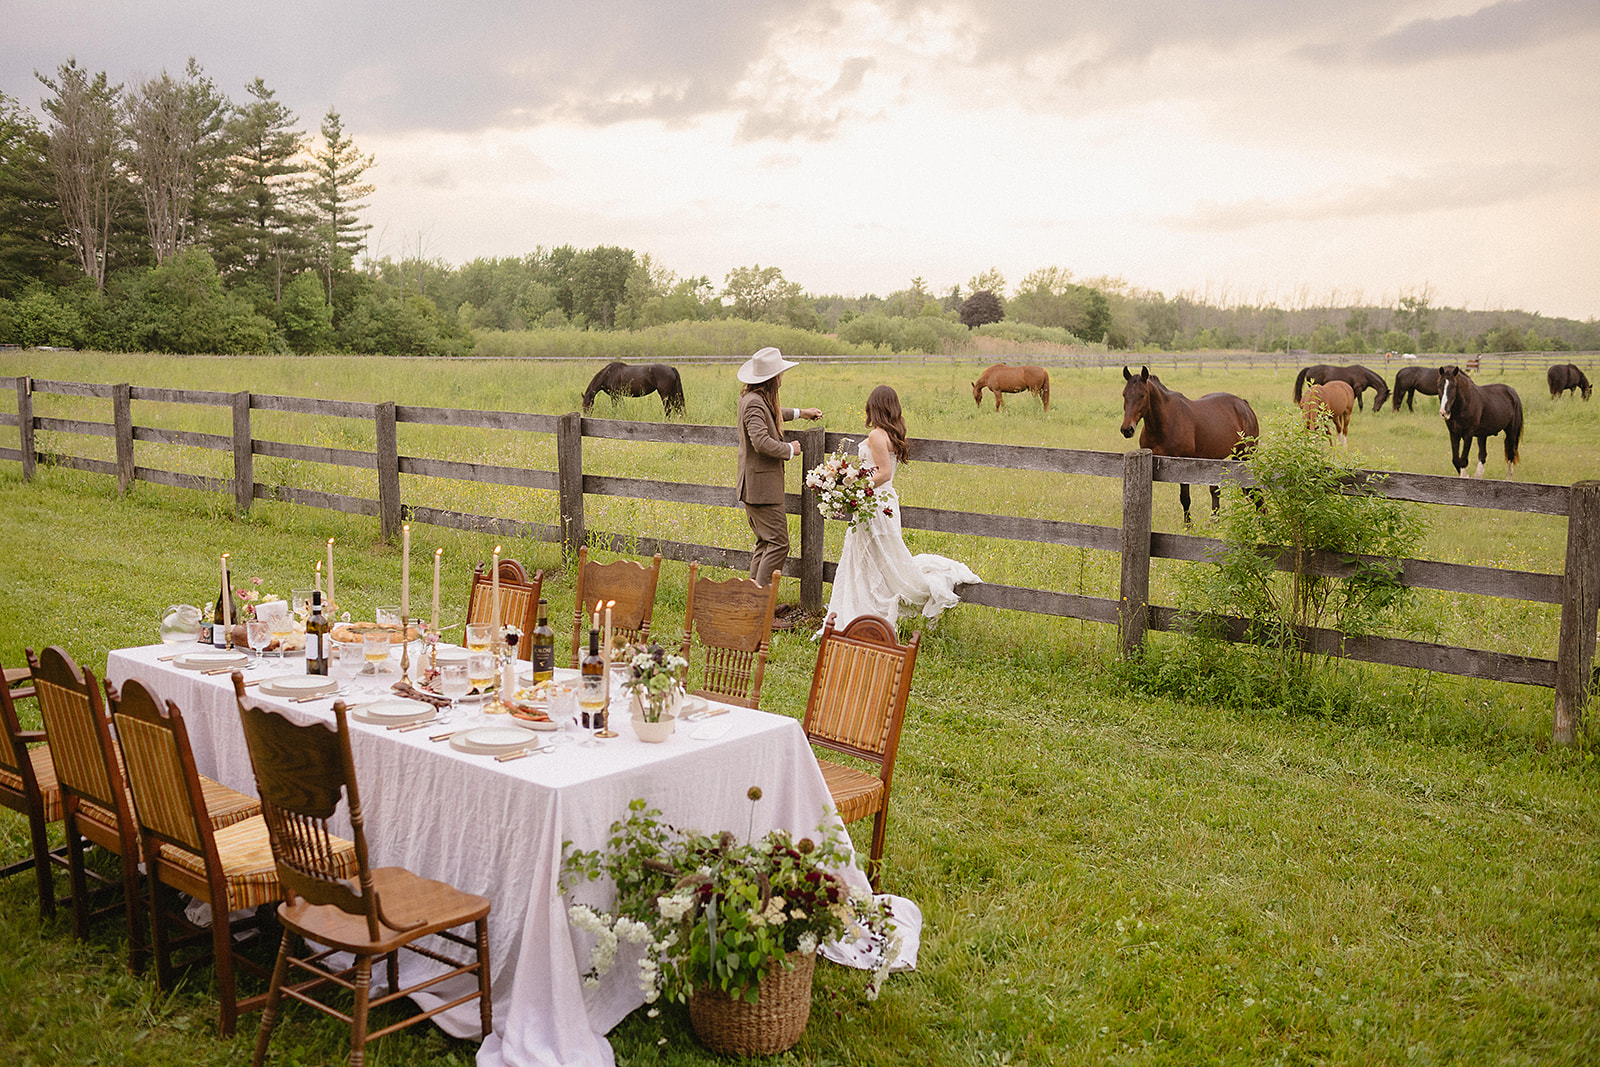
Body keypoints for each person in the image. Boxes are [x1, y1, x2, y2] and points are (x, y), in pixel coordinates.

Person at [820, 385, 979, 635]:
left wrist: (852, 489)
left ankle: (867, 612)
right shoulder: (890, 434)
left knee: (869, 557)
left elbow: (884, 473)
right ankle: (869, 610)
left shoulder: (876, 435)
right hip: (883, 502)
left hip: (873, 503)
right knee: (875, 557)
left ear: (875, 407)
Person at [736, 347, 822, 595]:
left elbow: (773, 414)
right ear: (772, 378)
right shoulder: (754, 404)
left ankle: (753, 602)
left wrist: (801, 413)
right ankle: (762, 608)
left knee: (765, 543)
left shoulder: (753, 400)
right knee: (779, 544)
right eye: (780, 374)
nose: (782, 378)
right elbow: (760, 441)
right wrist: (789, 449)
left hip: (756, 487)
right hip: (761, 489)